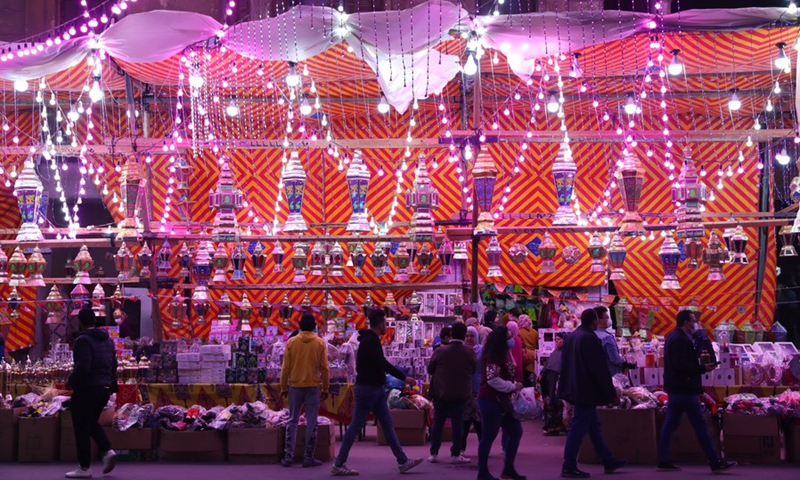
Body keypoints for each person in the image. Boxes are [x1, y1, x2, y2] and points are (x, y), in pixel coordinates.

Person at [331, 310, 423, 476]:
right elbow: (382, 363)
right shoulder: (371, 341)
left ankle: (402, 461)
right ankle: (339, 463)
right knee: (355, 427)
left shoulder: (368, 340)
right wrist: (403, 378)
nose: (386, 327)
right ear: (380, 324)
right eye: (385, 324)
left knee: (387, 425)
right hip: (369, 389)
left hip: (375, 389)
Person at [657, 311, 737, 473]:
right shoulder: (680, 339)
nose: (696, 324)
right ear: (686, 322)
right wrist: (702, 368)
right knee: (700, 425)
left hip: (676, 388)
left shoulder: (676, 337)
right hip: (685, 389)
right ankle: (715, 461)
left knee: (670, 424)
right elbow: (681, 366)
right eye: (694, 321)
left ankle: (663, 459)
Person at [559, 309, 626, 479]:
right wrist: (611, 393)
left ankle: (608, 460)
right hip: (585, 390)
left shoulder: (573, 336)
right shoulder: (590, 338)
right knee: (578, 426)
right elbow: (599, 369)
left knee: (593, 425)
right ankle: (569, 465)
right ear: (595, 321)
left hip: (575, 387)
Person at [64, 306, 118, 478]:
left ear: (80, 322)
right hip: (103, 388)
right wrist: (112, 386)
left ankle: (84, 467)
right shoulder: (108, 340)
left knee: (81, 426)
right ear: (94, 321)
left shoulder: (82, 341)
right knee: (91, 422)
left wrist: (70, 381)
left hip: (87, 388)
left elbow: (83, 366)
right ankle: (107, 451)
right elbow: (114, 365)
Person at [280, 313, 330, 468]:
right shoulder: (320, 343)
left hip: (294, 386)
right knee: (312, 422)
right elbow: (325, 369)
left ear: (299, 326)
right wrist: (325, 388)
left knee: (292, 421)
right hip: (313, 387)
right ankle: (308, 457)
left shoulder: (291, 342)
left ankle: (288, 456)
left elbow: (285, 368)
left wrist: (283, 387)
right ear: (314, 327)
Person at [477, 326, 525, 480]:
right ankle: (483, 472)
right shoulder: (493, 356)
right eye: (508, 337)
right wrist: (512, 386)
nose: (511, 340)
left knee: (516, 431)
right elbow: (492, 379)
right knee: (489, 435)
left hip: (502, 401)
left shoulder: (503, 354)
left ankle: (508, 468)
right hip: (490, 400)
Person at [427, 322, 476, 464]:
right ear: (463, 335)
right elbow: (473, 370)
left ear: (451, 334)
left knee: (438, 423)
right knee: (458, 424)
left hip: (441, 392)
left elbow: (430, 370)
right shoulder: (469, 352)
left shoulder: (440, 351)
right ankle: (455, 454)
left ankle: (434, 453)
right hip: (461, 393)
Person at [462, 326, 483, 454]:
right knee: (464, 421)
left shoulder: (482, 350)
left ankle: (483, 449)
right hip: (465, 390)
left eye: (472, 336)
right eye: (467, 336)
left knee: (479, 422)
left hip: (479, 389)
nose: (469, 339)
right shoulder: (461, 350)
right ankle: (460, 449)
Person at [540, 333, 566, 436]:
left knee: (558, 402)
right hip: (550, 379)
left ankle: (557, 425)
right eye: (556, 339)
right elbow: (548, 364)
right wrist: (542, 373)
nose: (557, 341)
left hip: (559, 379)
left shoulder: (566, 352)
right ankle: (551, 425)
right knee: (550, 402)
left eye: (559, 339)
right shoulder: (555, 352)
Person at [593, 306, 630, 376]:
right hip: (610, 375)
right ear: (599, 320)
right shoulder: (607, 338)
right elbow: (615, 359)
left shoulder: (591, 334)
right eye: (606, 317)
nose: (609, 320)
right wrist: (624, 358)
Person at [516, 315, 539, 387]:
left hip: (524, 356)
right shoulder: (535, 332)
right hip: (534, 355)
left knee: (525, 377)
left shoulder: (518, 332)